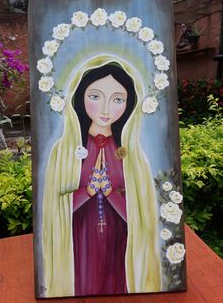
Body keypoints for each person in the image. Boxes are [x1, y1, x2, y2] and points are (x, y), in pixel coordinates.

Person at [42, 60, 162, 297]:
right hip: (78, 243)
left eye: (118, 99)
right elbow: (53, 211)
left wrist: (110, 194)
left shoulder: (133, 155)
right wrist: (85, 192)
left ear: (129, 104)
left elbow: (142, 215)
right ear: (80, 96)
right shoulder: (63, 150)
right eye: (95, 96)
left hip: (120, 244)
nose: (106, 109)